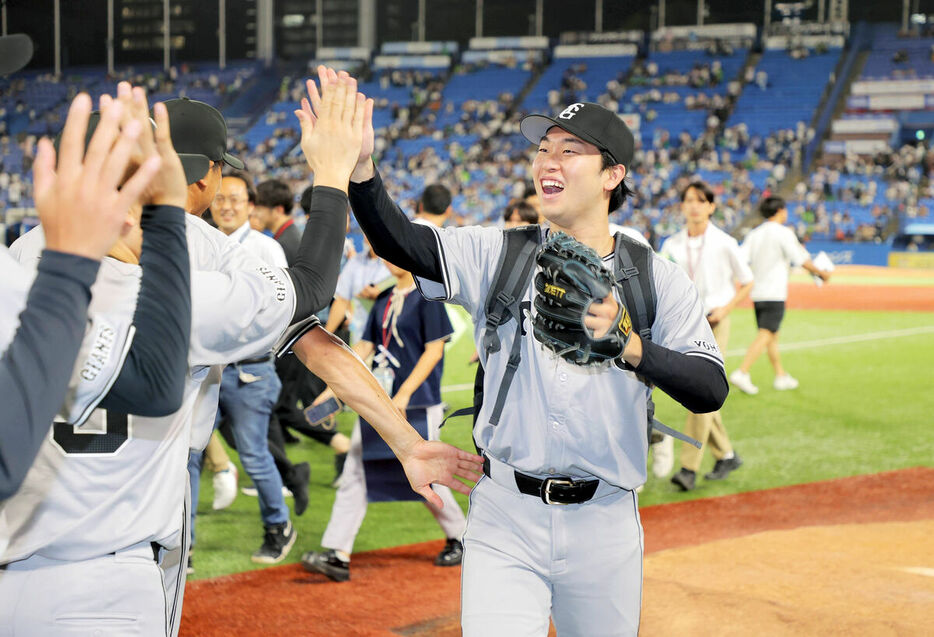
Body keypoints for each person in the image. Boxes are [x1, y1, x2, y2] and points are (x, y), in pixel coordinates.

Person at [1, 77, 482, 637]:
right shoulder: (195, 268)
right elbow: (311, 313)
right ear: (203, 174)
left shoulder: (18, 263)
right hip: (120, 549)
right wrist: (331, 176)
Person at [307, 67, 727, 635]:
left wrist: (630, 346)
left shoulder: (656, 279)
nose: (547, 161)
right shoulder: (499, 253)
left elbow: (709, 389)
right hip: (506, 511)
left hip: (605, 520)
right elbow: (400, 242)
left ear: (613, 175)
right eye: (543, 149)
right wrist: (361, 171)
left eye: (570, 151)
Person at [0, 90, 190, 501]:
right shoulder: (18, 275)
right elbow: (156, 386)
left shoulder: (16, 260)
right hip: (114, 536)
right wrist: (166, 212)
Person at [302, 258, 467, 581]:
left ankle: (462, 537)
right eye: (382, 254)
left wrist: (404, 394)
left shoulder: (427, 297)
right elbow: (364, 347)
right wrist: (332, 388)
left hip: (418, 403)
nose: (387, 260)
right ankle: (338, 554)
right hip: (381, 402)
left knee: (426, 477)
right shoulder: (383, 298)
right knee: (355, 471)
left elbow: (434, 351)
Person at [188, 169, 308, 563]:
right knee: (189, 454)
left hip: (248, 369)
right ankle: (181, 542)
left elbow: (278, 316)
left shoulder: (265, 249)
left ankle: (279, 526)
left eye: (236, 199)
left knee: (255, 454)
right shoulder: (200, 244)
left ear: (251, 206)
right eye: (220, 198)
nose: (226, 206)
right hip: (205, 369)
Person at [660, 181, 754, 490]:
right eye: (688, 200)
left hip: (714, 322)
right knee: (697, 390)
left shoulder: (725, 242)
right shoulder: (672, 244)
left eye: (701, 200)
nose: (694, 205)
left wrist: (726, 310)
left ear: (711, 206)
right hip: (682, 324)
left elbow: (747, 282)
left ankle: (688, 467)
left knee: (699, 389)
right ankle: (726, 453)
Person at [730, 196, 831, 395]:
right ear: (780, 211)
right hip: (774, 292)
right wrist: (821, 273)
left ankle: (780, 376)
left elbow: (741, 258)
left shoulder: (755, 234)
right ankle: (742, 372)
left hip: (757, 292)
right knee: (767, 333)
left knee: (772, 336)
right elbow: (799, 258)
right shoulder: (783, 233)